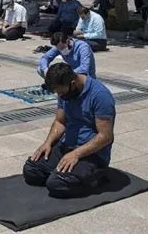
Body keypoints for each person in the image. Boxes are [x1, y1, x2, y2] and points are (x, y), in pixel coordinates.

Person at [23, 63, 115, 198]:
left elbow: (106, 136)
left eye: (61, 92)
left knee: (57, 184)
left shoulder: (100, 96)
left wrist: (76, 154)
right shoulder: (66, 92)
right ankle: (63, 173)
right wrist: (48, 143)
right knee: (31, 170)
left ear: (73, 83)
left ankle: (95, 177)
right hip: (66, 146)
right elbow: (60, 122)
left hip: (92, 155)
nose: (60, 95)